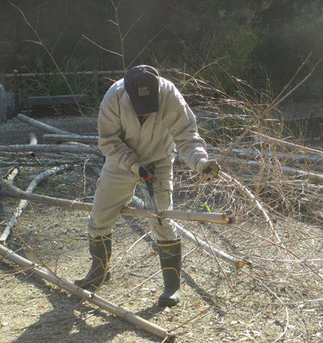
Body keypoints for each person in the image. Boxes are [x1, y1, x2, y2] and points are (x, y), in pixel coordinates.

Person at [75, 65, 219, 307]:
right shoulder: (114, 96)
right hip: (120, 162)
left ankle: (172, 286)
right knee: (99, 217)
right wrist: (133, 165)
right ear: (128, 93)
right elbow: (108, 141)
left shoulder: (169, 94)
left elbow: (186, 134)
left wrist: (200, 162)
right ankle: (99, 272)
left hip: (159, 160)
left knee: (162, 219)